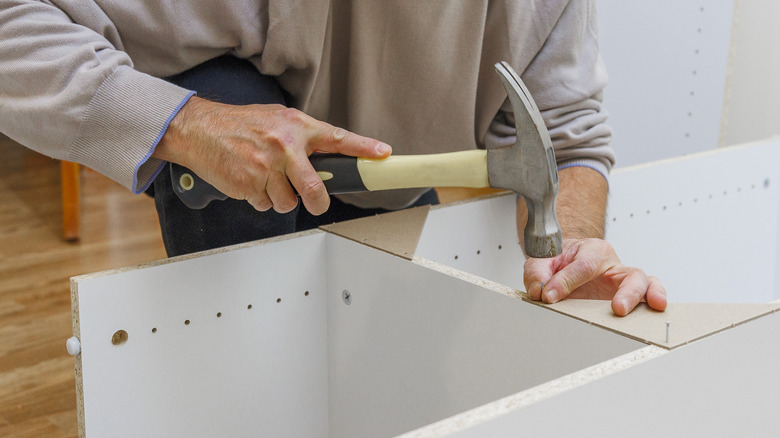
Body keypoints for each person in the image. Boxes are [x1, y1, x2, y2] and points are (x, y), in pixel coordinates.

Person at [0, 1, 666, 316]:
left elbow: (570, 138)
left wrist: (574, 242)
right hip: (240, 146)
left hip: (391, 167)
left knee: (399, 346)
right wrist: (190, 124)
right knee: (267, 342)